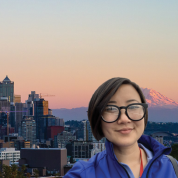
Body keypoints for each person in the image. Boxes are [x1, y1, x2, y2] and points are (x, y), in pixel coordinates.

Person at [64, 77, 177, 178]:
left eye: (133, 107)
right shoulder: (83, 174)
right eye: (111, 109)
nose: (124, 119)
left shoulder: (172, 168)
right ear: (98, 119)